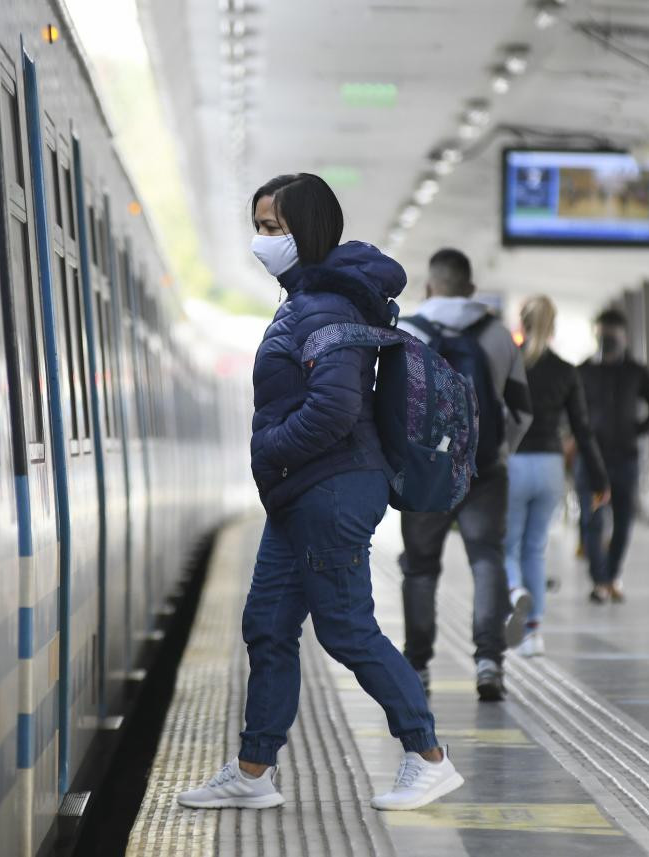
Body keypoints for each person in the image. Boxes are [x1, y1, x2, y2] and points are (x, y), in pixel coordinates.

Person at [177, 173, 463, 814]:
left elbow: (334, 408)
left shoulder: (325, 306)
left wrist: (268, 449)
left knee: (347, 628)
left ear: (307, 230)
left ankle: (427, 756)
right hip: (303, 492)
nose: (262, 240)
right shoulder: (308, 299)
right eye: (258, 226)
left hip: (331, 489)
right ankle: (254, 771)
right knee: (268, 626)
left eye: (273, 228)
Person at [397, 249, 533, 701]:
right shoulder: (498, 335)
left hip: (424, 473)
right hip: (485, 471)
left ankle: (416, 666)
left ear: (429, 286)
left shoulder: (406, 331)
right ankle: (489, 662)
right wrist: (495, 452)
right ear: (472, 289)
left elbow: (391, 407)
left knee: (420, 568)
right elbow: (522, 411)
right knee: (486, 558)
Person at [505, 296, 609, 657]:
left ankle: (515, 591)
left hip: (514, 463)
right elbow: (582, 430)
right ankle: (533, 633)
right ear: (553, 325)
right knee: (535, 548)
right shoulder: (567, 370)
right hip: (550, 466)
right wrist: (599, 479)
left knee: (508, 545)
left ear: (522, 322)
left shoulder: (510, 364)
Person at [577, 308, 649, 603]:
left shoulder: (636, 372)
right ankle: (600, 581)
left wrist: (637, 429)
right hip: (590, 460)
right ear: (595, 334)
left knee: (623, 520)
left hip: (625, 459)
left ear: (624, 336)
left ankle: (613, 575)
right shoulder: (583, 371)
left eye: (612, 335)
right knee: (592, 521)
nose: (607, 341)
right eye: (602, 335)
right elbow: (570, 411)